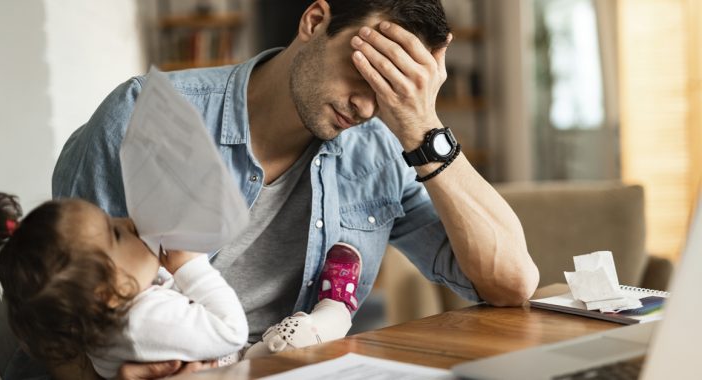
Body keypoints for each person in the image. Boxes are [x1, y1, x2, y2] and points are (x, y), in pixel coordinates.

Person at [51, 0, 539, 378]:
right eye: (365, 72)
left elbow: (511, 283)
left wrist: (423, 126)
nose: (368, 108)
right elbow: (53, 327)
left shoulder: (382, 147)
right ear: (315, 20)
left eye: (393, 89)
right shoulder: (145, 119)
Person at [0, 193, 362, 379]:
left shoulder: (111, 320)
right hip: (240, 362)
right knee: (292, 341)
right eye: (115, 234)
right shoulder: (141, 320)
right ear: (105, 292)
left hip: (229, 364)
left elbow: (165, 304)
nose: (127, 221)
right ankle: (337, 305)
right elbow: (231, 330)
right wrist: (189, 266)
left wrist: (159, 270)